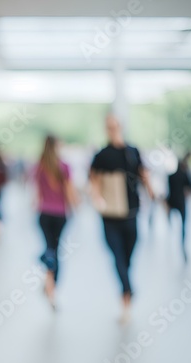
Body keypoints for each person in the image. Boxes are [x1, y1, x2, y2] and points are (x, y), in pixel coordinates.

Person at [90, 114, 154, 324]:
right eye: (109, 127)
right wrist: (97, 199)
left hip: (131, 213)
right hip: (110, 215)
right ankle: (127, 290)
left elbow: (144, 174)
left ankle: (125, 291)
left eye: (115, 126)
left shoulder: (132, 152)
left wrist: (151, 191)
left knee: (127, 256)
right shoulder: (101, 155)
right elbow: (94, 181)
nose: (112, 130)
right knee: (117, 255)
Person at [34, 136, 79, 309]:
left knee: (49, 248)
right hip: (60, 214)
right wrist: (76, 205)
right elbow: (69, 191)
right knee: (56, 250)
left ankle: (49, 281)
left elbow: (37, 192)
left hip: (44, 213)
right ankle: (51, 286)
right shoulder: (64, 167)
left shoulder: (39, 167)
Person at [166, 152, 191, 262]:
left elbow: (168, 190)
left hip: (172, 201)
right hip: (181, 202)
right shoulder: (184, 175)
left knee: (173, 219)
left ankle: (171, 228)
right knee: (183, 224)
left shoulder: (171, 176)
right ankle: (182, 243)